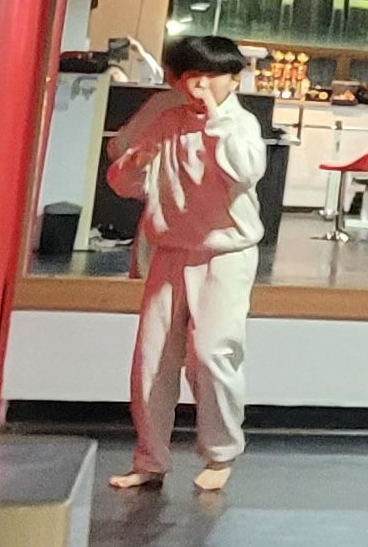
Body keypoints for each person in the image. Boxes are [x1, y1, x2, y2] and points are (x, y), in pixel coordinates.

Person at [106, 33, 270, 495]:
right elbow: (123, 182)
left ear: (233, 80)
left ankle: (221, 453)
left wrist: (215, 117)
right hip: (169, 251)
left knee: (214, 353)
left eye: (211, 77)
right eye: (191, 78)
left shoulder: (240, 125)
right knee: (152, 359)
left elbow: (244, 171)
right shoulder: (167, 120)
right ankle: (149, 459)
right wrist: (136, 163)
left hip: (226, 253)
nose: (200, 88)